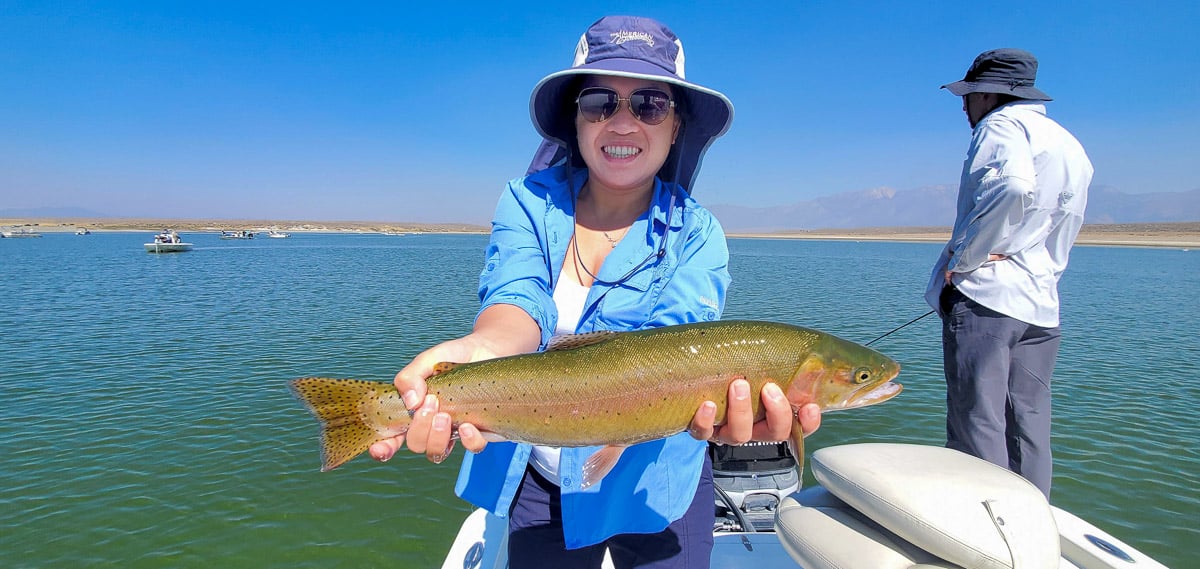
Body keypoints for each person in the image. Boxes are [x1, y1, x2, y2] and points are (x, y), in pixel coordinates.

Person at [368, 15, 821, 568]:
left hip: (659, 487)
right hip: (537, 483)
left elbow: (669, 349)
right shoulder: (525, 203)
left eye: (650, 103)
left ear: (676, 126)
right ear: (576, 120)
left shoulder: (699, 234)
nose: (623, 122)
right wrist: (480, 351)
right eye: (601, 102)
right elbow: (515, 304)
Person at [925, 48, 1093, 499]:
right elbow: (1065, 219)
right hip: (1041, 303)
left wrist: (966, 260)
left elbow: (1013, 185)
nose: (964, 105)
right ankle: (1032, 516)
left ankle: (984, 524)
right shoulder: (1068, 143)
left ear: (988, 95)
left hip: (989, 299)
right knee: (1030, 423)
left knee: (977, 418)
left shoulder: (999, 126)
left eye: (969, 96)